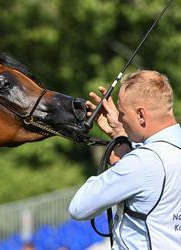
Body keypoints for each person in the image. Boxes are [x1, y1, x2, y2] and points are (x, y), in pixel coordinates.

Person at [69, 70, 181, 249]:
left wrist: (121, 162)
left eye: (122, 113)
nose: (119, 118)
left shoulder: (141, 163)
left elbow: (79, 208)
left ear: (141, 115)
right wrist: (121, 134)